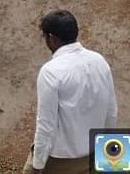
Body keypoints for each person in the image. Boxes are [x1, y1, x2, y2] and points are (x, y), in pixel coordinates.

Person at [24, 10, 118, 174]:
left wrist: (37, 165)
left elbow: (46, 124)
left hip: (61, 158)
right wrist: (107, 156)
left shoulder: (51, 71)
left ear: (51, 38)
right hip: (95, 152)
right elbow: (112, 112)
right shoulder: (100, 61)